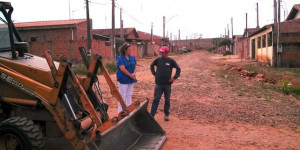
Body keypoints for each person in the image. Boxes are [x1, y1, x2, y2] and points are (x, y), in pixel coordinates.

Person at [150, 46, 181, 121]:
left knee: (167, 100)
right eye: (160, 52)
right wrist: (154, 73)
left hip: (167, 84)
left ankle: (166, 114)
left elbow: (178, 69)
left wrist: (174, 78)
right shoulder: (158, 60)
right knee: (156, 100)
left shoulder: (171, 61)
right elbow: (151, 65)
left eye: (162, 52)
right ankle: (152, 115)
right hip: (159, 84)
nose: (161, 53)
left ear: (166, 52)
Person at [116, 43, 137, 113]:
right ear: (125, 50)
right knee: (122, 96)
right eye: (129, 50)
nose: (130, 51)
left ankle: (129, 109)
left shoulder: (132, 57)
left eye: (131, 49)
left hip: (131, 79)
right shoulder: (120, 58)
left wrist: (134, 73)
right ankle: (120, 112)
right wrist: (130, 75)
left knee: (129, 94)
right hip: (123, 79)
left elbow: (135, 66)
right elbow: (122, 69)